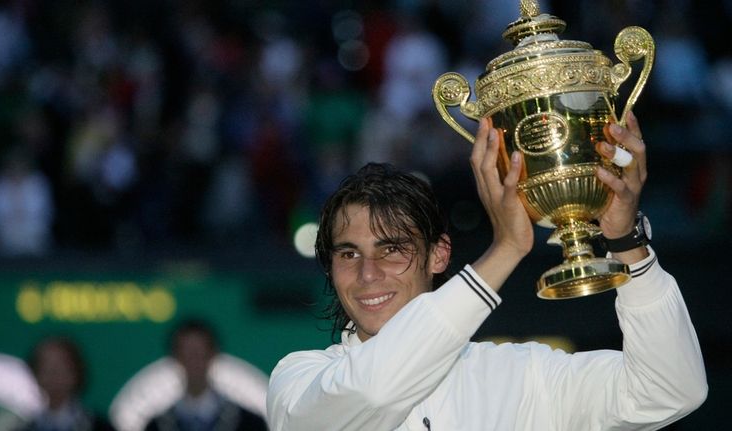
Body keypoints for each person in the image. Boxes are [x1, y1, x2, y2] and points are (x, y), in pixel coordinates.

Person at [266, 113, 708, 430]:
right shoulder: (298, 381)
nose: (367, 274)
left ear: (439, 255)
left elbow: (671, 390)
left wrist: (628, 243)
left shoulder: (525, 375)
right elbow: (372, 392)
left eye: (393, 249)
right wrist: (506, 250)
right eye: (348, 254)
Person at [145, 320, 268, 431]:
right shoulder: (157, 426)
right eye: (187, 354)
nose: (194, 362)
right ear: (176, 357)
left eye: (199, 353)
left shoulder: (249, 423)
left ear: (213, 354)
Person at [20, 337, 113, 431]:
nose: (54, 375)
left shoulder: (100, 426)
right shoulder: (26, 428)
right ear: (35, 375)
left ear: (76, 372)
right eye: (47, 368)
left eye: (60, 367)